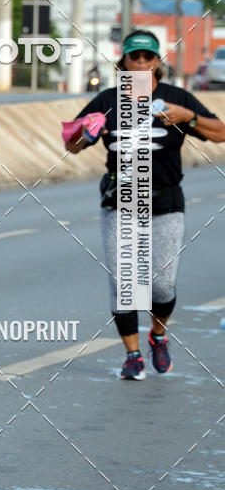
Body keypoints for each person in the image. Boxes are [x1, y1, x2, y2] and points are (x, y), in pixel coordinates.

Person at [64, 29, 225, 380]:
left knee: (162, 285)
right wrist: (84, 131)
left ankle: (158, 335)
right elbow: (72, 145)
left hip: (165, 203)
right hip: (120, 204)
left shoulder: (175, 99)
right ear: (123, 62)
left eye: (147, 57)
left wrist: (189, 118)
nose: (140, 63)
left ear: (157, 62)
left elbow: (221, 132)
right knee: (126, 285)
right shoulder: (106, 100)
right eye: (133, 57)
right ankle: (133, 355)